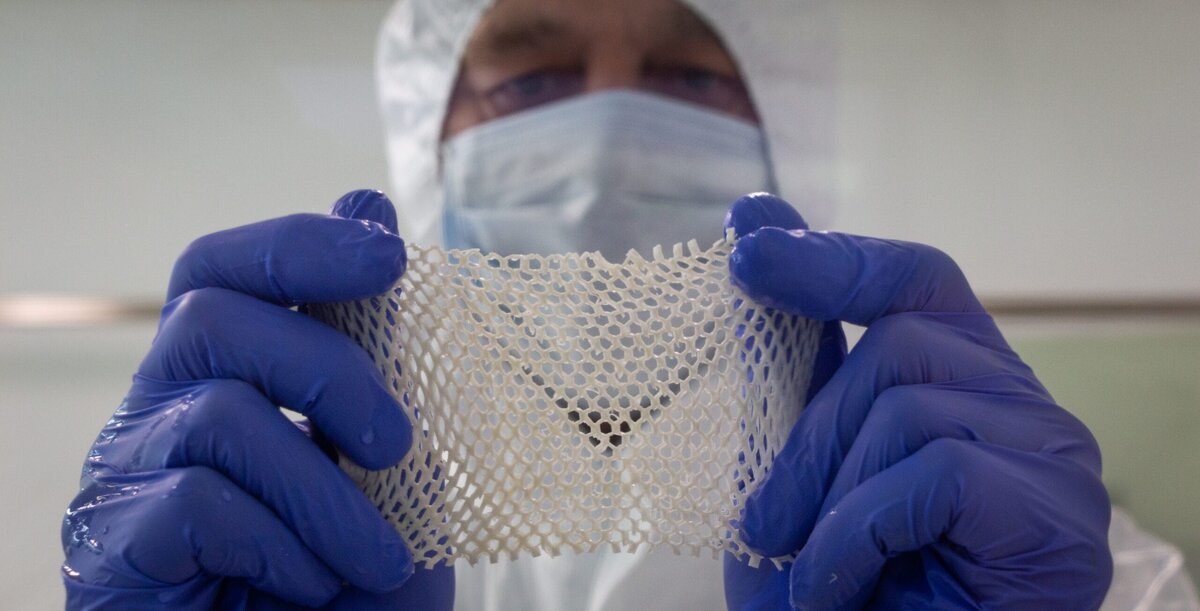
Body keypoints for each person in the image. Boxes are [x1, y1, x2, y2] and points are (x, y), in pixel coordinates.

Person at [61, 0, 1198, 609]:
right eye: (532, 76)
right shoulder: (268, 523)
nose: (606, 141)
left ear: (788, 132)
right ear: (427, 138)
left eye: (691, 77)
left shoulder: (987, 537)